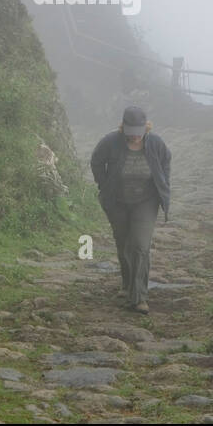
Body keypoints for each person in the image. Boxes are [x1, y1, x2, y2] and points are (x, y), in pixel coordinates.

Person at [90, 106, 172, 315]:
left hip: (146, 200)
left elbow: (165, 163)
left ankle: (138, 297)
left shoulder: (156, 143)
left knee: (140, 245)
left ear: (146, 127)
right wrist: (104, 184)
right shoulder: (110, 142)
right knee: (124, 243)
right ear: (123, 128)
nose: (135, 137)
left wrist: (164, 187)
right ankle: (127, 285)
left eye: (139, 131)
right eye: (131, 132)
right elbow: (96, 161)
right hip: (117, 201)